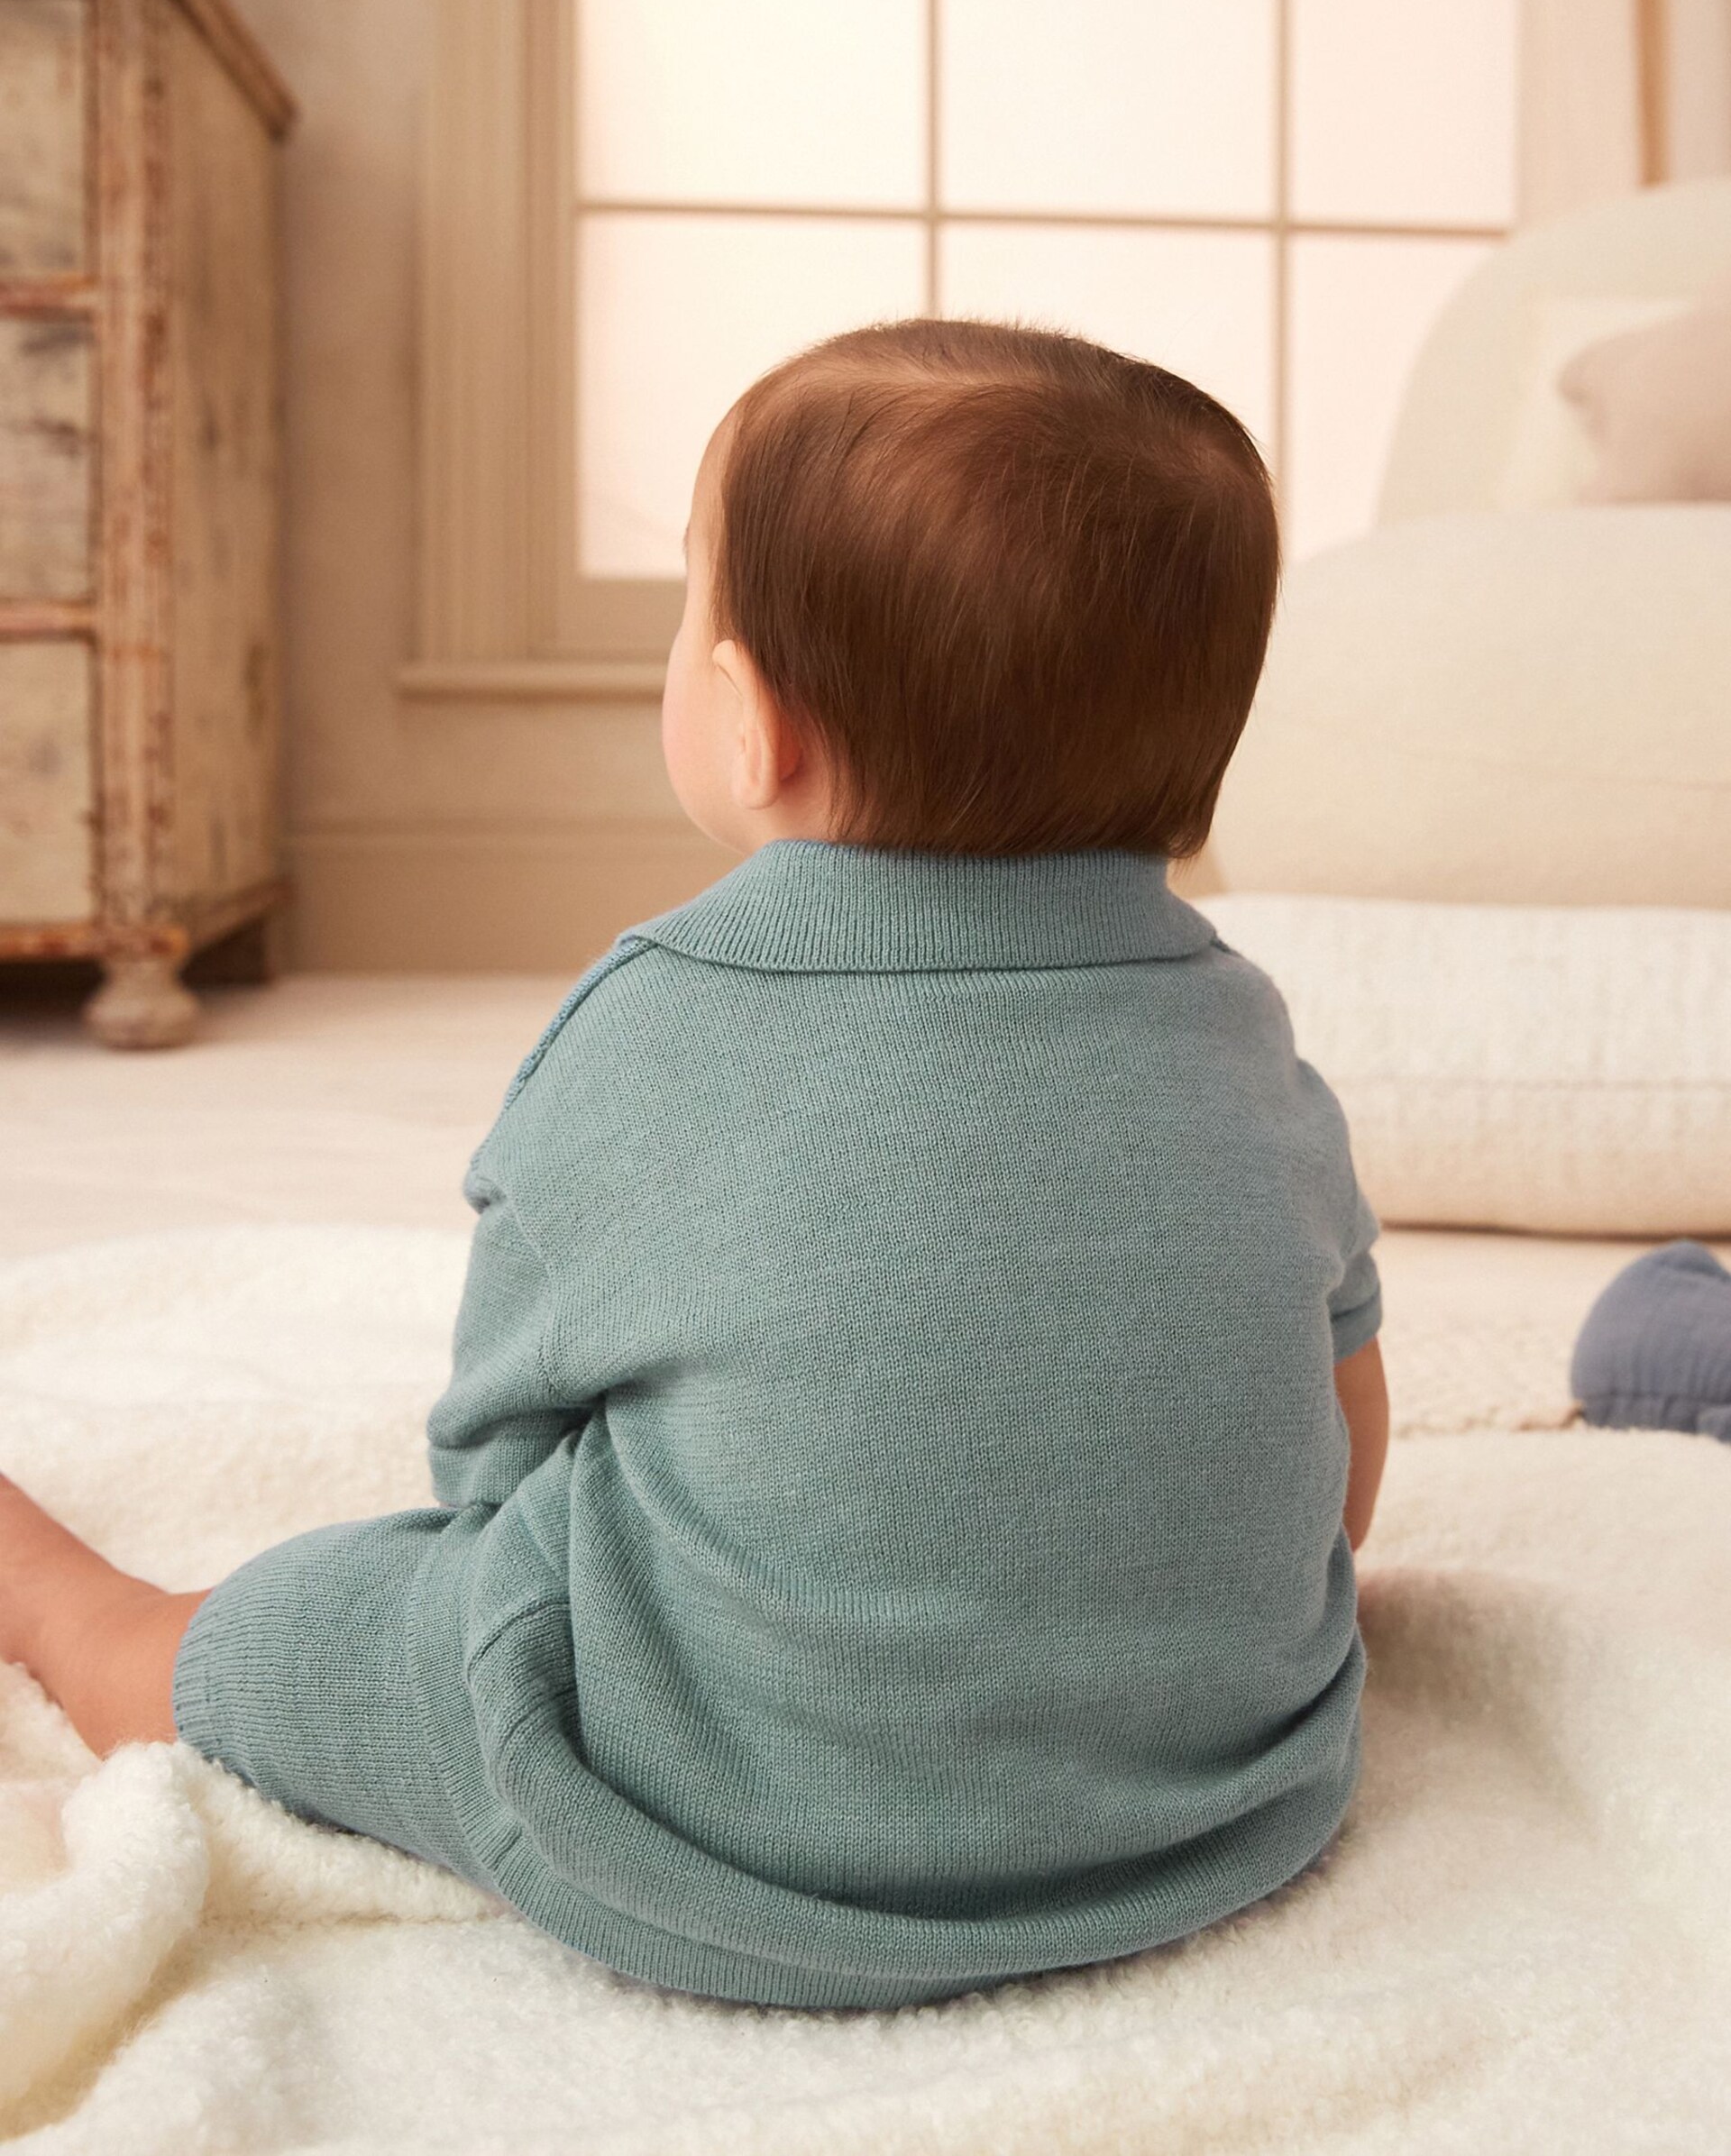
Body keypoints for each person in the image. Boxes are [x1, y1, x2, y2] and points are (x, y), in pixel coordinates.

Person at [0, 319, 1389, 2010]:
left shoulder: (655, 1018)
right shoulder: (1242, 1031)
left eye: (686, 608)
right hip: (1215, 1809)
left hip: (730, 1833)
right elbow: (1340, 1410)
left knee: (338, 1625)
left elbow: (497, 1451)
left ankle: (78, 1621)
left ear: (750, 723)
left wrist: (478, 1601)